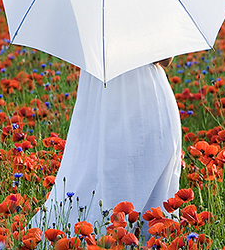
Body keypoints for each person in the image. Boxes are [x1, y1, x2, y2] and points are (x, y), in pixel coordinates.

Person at [29, 57, 181, 236]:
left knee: (100, 166)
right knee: (142, 167)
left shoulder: (95, 31)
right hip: (144, 92)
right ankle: (142, 242)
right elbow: (165, 59)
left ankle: (103, 239)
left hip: (101, 87)